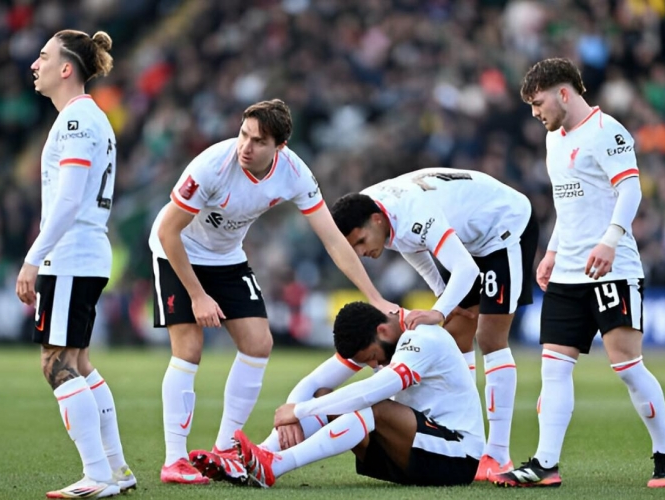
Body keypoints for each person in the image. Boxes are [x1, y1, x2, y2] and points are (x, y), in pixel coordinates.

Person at [149, 99, 399, 484]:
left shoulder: (295, 173)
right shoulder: (211, 166)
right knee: (189, 349)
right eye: (243, 134)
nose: (245, 146)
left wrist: (375, 296)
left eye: (258, 141)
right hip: (178, 251)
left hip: (227, 258)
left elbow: (333, 241)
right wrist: (198, 296)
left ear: (279, 148)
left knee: (258, 343)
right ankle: (174, 460)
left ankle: (225, 447)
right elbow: (169, 231)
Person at [495, 58, 665, 488]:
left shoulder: (607, 132)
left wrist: (610, 241)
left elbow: (629, 189)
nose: (535, 113)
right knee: (554, 368)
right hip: (568, 275)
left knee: (628, 367)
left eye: (539, 103)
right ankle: (545, 464)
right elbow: (568, 204)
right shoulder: (553, 140)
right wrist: (553, 252)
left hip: (612, 270)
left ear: (563, 93)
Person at [330, 168, 539, 481]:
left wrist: (439, 311)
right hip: (471, 237)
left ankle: (497, 455)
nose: (361, 254)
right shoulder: (378, 212)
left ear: (375, 221)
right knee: (456, 337)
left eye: (360, 242)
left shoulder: (411, 211)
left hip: (504, 227)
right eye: (354, 249)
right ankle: (468, 433)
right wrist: (443, 296)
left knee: (491, 337)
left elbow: (465, 269)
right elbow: (412, 247)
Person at [15, 30, 135, 498]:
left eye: (43, 56)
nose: (34, 64)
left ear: (66, 68)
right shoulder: (86, 117)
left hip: (71, 255)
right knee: (79, 363)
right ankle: (116, 469)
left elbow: (67, 201)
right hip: (84, 253)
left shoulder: (76, 122)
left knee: (56, 364)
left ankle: (97, 476)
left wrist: (32, 258)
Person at [196, 301, 484, 488]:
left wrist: (299, 411)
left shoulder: (423, 337)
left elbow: (373, 391)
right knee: (326, 396)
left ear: (382, 330)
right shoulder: (382, 340)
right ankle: (259, 457)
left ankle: (275, 465)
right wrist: (292, 415)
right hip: (414, 457)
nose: (374, 364)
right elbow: (314, 382)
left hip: (458, 458)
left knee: (375, 407)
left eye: (371, 357)